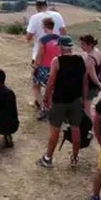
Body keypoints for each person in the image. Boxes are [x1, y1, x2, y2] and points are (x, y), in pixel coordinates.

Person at [38, 36, 89, 168]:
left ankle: (48, 158)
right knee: (75, 128)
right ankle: (75, 157)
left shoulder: (57, 61)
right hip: (76, 100)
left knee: (55, 130)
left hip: (60, 101)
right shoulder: (80, 60)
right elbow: (85, 83)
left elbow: (50, 83)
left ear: (61, 47)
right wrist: (84, 100)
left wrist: (46, 99)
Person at [30, 17, 61, 119]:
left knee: (35, 86)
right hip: (57, 68)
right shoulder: (59, 39)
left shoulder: (43, 40)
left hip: (44, 68)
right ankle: (52, 108)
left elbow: (40, 57)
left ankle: (43, 108)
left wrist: (34, 68)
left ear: (44, 27)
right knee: (53, 89)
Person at [80, 34, 101, 115]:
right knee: (86, 105)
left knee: (86, 108)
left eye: (83, 45)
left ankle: (90, 125)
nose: (81, 46)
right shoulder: (97, 51)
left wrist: (100, 85)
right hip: (96, 85)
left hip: (89, 86)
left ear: (90, 45)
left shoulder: (89, 59)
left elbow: (92, 75)